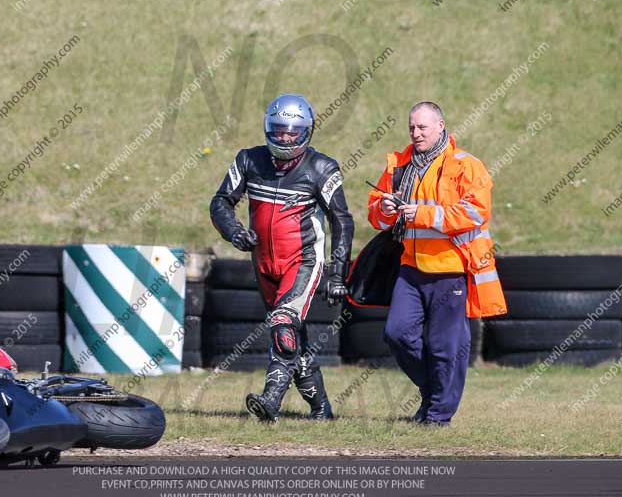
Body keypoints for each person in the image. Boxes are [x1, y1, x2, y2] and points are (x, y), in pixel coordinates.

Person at [210, 93, 354, 422]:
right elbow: (220, 201)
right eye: (278, 130)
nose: (285, 137)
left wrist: (337, 273)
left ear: (307, 131)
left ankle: (271, 400)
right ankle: (322, 410)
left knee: (283, 322)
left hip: (302, 261)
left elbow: (341, 220)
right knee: (291, 339)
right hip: (263, 264)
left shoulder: (323, 167)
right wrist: (233, 230)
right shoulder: (248, 159)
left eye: (292, 131)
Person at [367, 101, 507, 426]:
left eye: (423, 127)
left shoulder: (467, 166)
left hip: (450, 270)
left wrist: (426, 214)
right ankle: (434, 390)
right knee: (396, 334)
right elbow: (374, 214)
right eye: (412, 128)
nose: (416, 133)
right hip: (411, 268)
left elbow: (476, 212)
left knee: (446, 347)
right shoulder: (397, 165)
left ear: (441, 126)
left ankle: (438, 416)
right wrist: (385, 210)